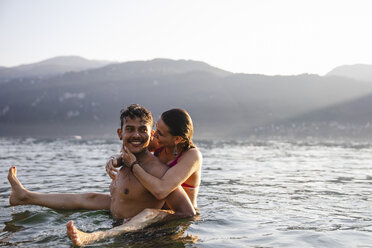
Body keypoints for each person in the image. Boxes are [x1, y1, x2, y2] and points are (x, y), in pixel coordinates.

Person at [7, 104, 195, 246]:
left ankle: (91, 237)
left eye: (142, 130)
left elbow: (187, 212)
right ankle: (26, 196)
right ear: (120, 133)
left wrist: (156, 218)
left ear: (151, 134)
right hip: (114, 218)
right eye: (130, 129)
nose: (136, 135)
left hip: (136, 236)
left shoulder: (157, 170)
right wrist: (120, 158)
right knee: (89, 197)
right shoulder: (124, 160)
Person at [106, 108, 202, 208]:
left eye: (160, 133)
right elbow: (132, 149)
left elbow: (161, 191)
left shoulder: (192, 156)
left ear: (177, 139)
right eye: (156, 128)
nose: (154, 135)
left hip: (180, 216)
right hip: (158, 209)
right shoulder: (160, 142)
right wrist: (114, 159)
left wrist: (133, 166)